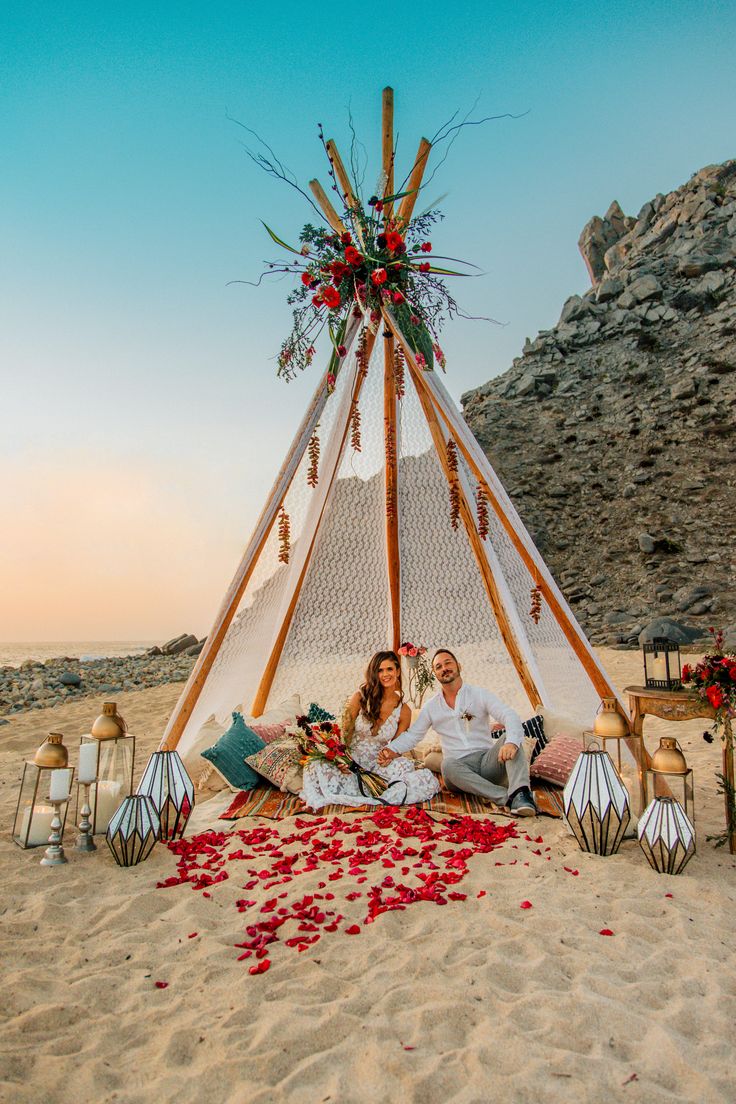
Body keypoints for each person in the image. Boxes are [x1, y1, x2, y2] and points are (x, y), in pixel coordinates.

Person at [378, 648, 536, 816]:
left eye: (448, 663)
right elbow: (413, 736)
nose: (444, 668)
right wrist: (391, 750)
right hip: (458, 770)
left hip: (486, 761)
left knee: (510, 738)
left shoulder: (479, 694)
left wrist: (511, 742)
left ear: (458, 665)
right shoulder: (431, 707)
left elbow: (508, 714)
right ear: (435, 674)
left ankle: (521, 793)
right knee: (447, 764)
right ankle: (506, 798)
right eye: (438, 666)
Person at [300, 650, 441, 810]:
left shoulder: (404, 710)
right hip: (350, 758)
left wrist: (388, 756)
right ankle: (352, 787)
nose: (385, 674)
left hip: (377, 763)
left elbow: (396, 746)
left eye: (389, 669)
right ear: (374, 673)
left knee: (409, 769)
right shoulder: (360, 697)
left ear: (398, 671)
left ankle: (376, 791)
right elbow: (344, 733)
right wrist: (341, 760)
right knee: (316, 765)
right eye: (380, 670)